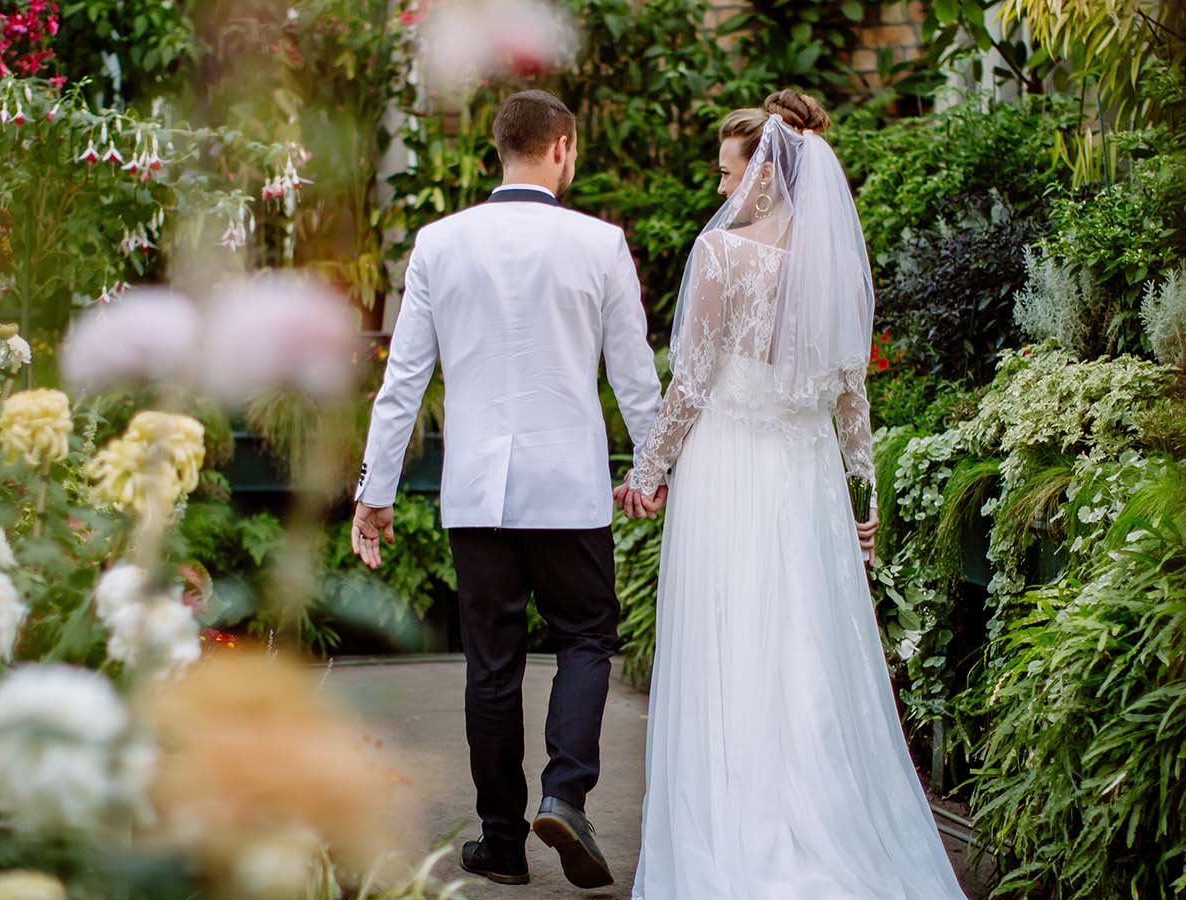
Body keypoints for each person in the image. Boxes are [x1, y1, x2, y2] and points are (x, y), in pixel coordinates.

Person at [618, 90, 968, 899]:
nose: (720, 192)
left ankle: (736, 830)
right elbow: (853, 399)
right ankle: (829, 822)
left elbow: (692, 385)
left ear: (766, 178)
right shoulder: (837, 267)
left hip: (731, 473)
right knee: (805, 643)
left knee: (730, 640)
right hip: (807, 478)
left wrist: (647, 473)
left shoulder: (724, 260)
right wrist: (862, 498)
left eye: (727, 175)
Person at [351, 89, 662, 889]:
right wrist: (655, 469)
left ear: (501, 148)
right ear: (561, 147)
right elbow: (635, 381)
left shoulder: (439, 243)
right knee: (587, 639)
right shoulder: (601, 245)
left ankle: (501, 843)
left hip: (478, 494)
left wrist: (373, 491)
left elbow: (403, 381)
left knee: (490, 666)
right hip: (570, 491)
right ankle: (565, 791)